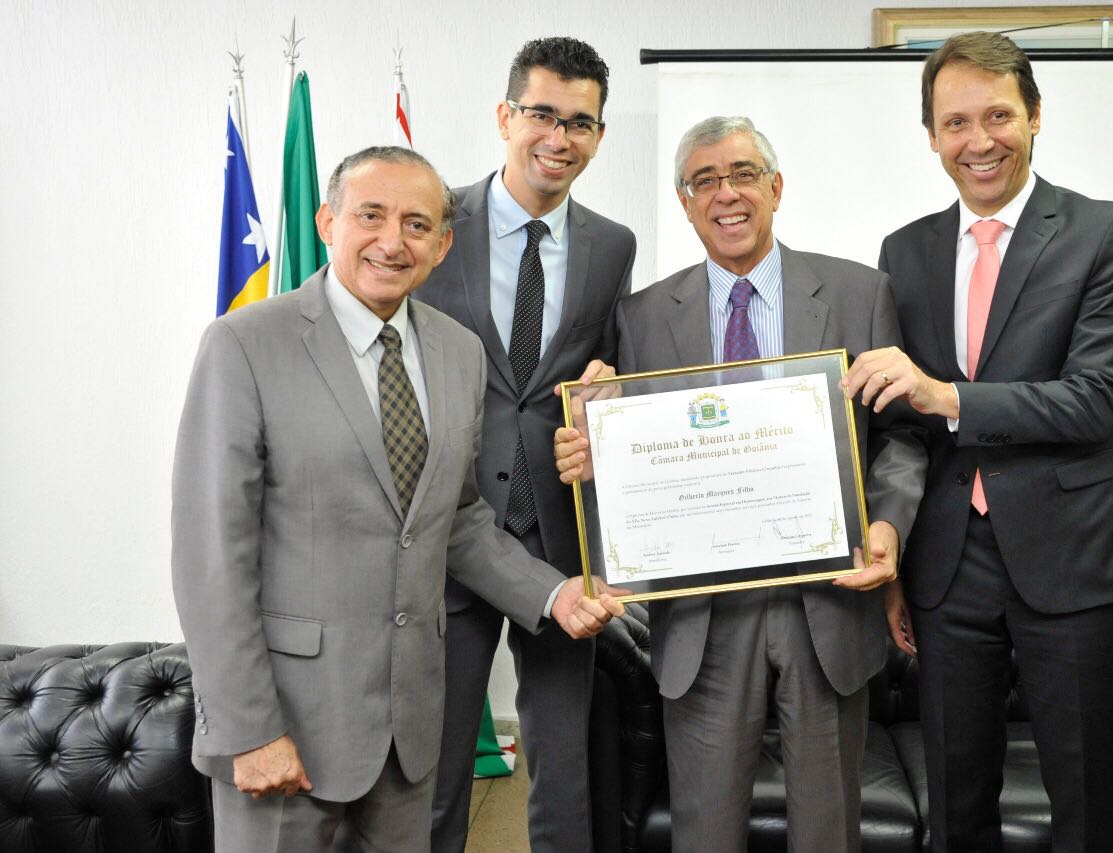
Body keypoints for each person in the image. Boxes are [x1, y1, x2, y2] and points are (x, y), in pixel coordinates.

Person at [171, 146, 622, 853]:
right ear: (327, 221)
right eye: (371, 215)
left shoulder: (458, 352)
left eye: (417, 224)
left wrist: (551, 593)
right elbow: (210, 559)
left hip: (410, 733)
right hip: (286, 729)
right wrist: (247, 728)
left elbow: (458, 519)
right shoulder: (245, 344)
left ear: (443, 246)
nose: (392, 241)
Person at [556, 116, 926, 853]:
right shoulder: (642, 317)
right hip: (703, 615)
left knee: (829, 829)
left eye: (743, 174)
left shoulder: (859, 293)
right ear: (685, 202)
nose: (726, 194)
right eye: (704, 181)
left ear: (776, 188)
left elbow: (901, 439)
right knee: (705, 826)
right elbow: (637, 456)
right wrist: (598, 456)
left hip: (828, 601)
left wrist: (886, 526)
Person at [843, 31, 1113, 853]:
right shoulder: (902, 253)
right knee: (955, 805)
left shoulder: (1106, 233)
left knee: (1085, 808)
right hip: (947, 566)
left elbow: (1097, 398)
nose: (978, 142)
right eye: (955, 123)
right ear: (932, 134)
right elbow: (905, 428)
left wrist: (947, 394)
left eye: (998, 116)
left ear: (1035, 116)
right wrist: (897, 550)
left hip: (1074, 558)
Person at [411, 36, 635, 853]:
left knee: (563, 767)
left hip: (558, 540)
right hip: (445, 535)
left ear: (599, 136)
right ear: (506, 117)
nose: (559, 136)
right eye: (542, 113)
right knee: (433, 770)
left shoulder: (614, 245)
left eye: (580, 122)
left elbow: (606, 370)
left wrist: (611, 401)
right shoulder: (434, 224)